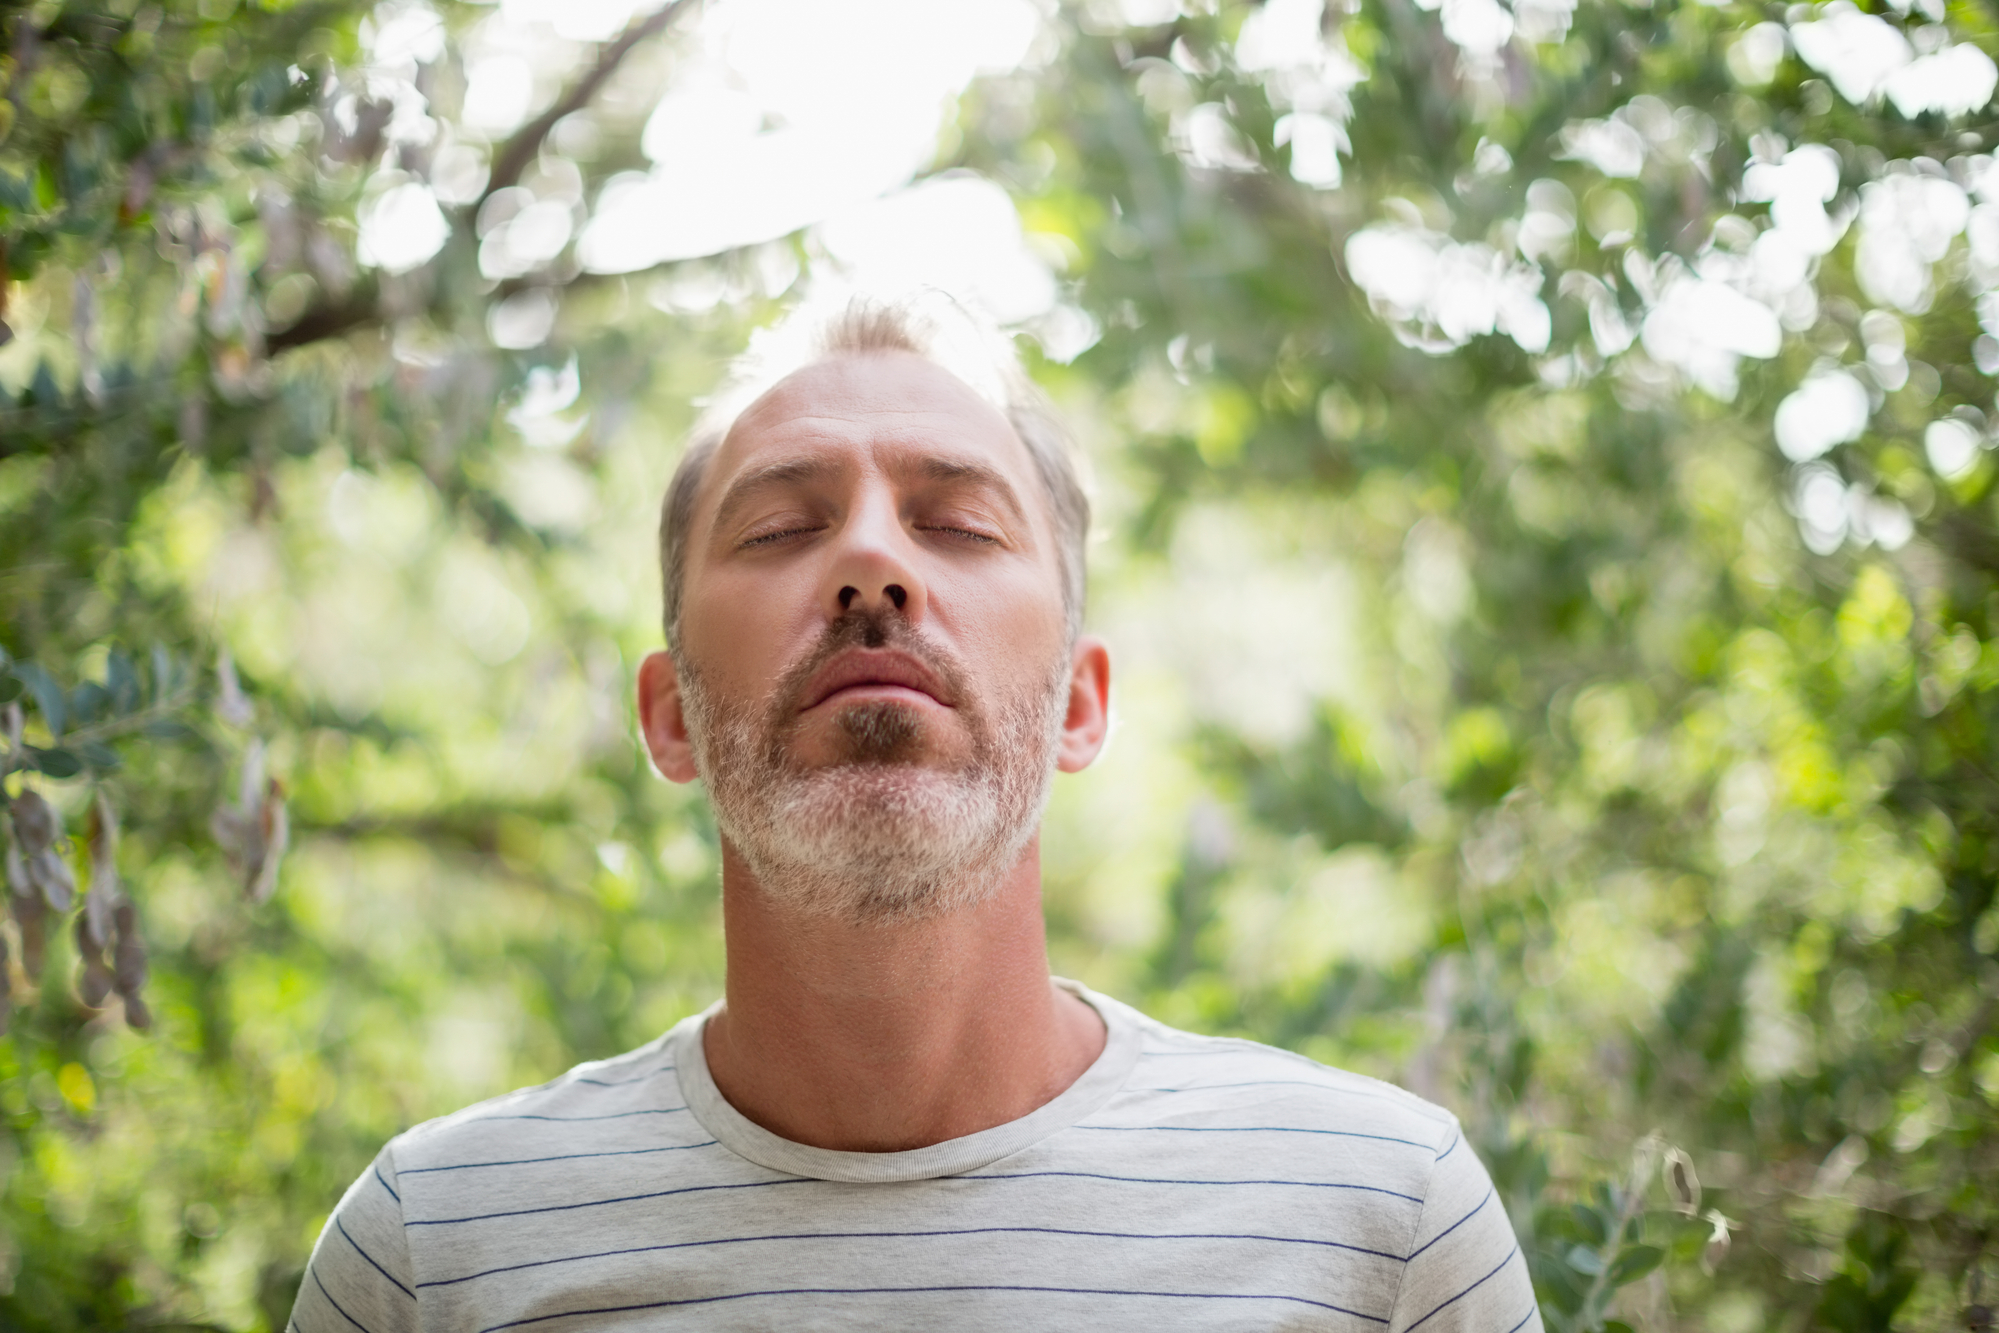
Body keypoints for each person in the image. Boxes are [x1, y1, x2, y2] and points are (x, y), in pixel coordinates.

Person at [291, 297, 1540, 1333]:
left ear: (1078, 705)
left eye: (957, 522)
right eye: (782, 524)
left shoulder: (1387, 1223)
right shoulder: (430, 1250)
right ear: (669, 716)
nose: (871, 565)